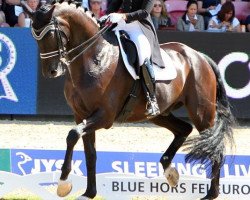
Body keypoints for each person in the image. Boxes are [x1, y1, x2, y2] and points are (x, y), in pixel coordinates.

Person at [104, 0, 165, 117]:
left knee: (143, 54)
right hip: (122, 24)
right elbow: (113, 5)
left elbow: (144, 12)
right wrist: (107, 16)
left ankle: (152, 99)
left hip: (140, 26)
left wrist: (123, 15)